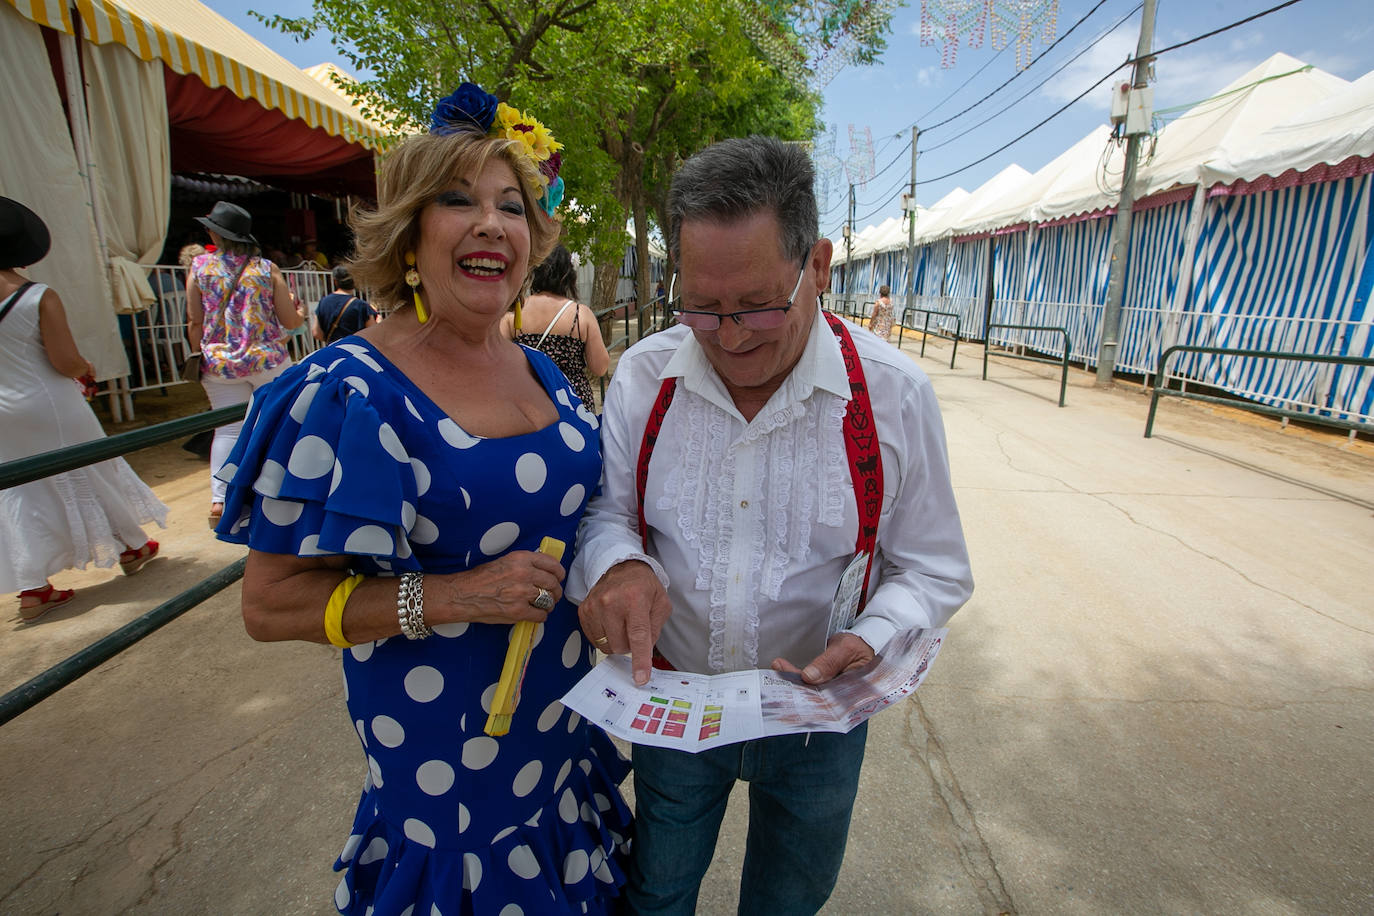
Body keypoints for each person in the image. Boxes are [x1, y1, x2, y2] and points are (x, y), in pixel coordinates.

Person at [213, 82, 629, 915]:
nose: (491, 223)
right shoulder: (349, 390)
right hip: (446, 764)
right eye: (457, 200)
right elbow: (271, 605)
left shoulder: (543, 370)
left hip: (559, 734)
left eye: (511, 205)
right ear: (409, 231)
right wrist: (454, 595)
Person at [568, 136, 974, 914]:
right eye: (701, 309)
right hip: (673, 700)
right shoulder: (646, 379)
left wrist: (877, 633)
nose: (729, 335)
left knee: (791, 898)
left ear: (817, 266)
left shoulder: (890, 395)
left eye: (757, 305)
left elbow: (933, 565)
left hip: (820, 722)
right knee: (656, 890)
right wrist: (617, 566)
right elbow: (607, 513)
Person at [0, 197, 164, 620]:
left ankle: (32, 586)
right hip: (49, 401)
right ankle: (131, 546)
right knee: (93, 467)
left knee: (20, 488)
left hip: (3, 410)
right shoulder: (37, 297)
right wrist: (85, 366)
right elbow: (64, 361)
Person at [186, 201, 304, 528]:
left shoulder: (199, 267)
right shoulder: (266, 269)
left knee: (227, 429)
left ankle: (220, 499)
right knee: (278, 421)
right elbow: (289, 318)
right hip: (266, 359)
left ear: (214, 232)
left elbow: (195, 320)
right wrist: (301, 317)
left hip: (219, 364)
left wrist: (203, 349)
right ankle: (279, 490)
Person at [500, 244, 609, 408]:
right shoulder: (581, 314)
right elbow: (600, 367)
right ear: (568, 274)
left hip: (529, 402)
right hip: (574, 403)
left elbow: (499, 362)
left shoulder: (515, 313)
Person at [313, 265, 379, 345]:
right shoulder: (361, 305)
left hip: (333, 349)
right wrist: (379, 320)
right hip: (356, 350)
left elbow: (316, 333)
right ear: (355, 281)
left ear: (335, 281)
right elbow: (372, 332)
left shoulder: (323, 302)